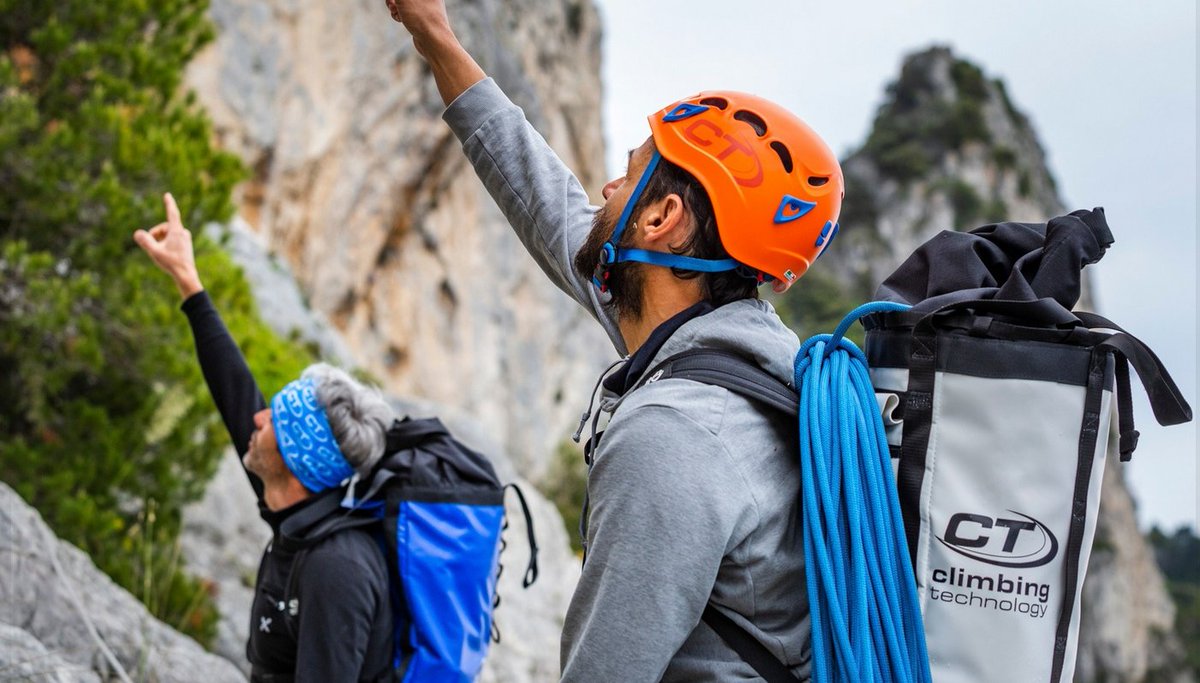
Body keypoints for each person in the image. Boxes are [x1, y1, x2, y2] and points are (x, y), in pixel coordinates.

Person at [385, 1, 844, 681]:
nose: (604, 188)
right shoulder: (724, 348)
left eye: (627, 176)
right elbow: (544, 199)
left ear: (662, 219)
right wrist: (435, 37)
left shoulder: (676, 433)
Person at [134, 193, 396, 683]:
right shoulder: (300, 508)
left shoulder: (336, 568)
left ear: (297, 459)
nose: (256, 420)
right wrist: (188, 280)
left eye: (273, 420)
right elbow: (235, 393)